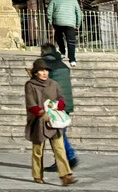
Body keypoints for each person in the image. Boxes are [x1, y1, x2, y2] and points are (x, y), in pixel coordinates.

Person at [25, 58, 77, 185]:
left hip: (54, 122)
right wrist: (42, 114)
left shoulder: (54, 84)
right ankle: (37, 175)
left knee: (60, 149)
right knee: (38, 151)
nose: (44, 73)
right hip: (39, 122)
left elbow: (61, 99)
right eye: (41, 71)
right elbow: (31, 104)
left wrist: (58, 106)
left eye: (46, 70)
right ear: (36, 72)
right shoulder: (30, 85)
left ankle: (66, 176)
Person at [40, 43, 79, 172]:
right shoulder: (63, 65)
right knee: (60, 132)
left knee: (56, 133)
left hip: (54, 104)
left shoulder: (46, 66)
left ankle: (67, 158)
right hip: (66, 103)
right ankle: (68, 157)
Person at [47, 0, 82, 67]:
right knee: (71, 41)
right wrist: (78, 23)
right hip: (70, 23)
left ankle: (62, 52)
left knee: (59, 37)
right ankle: (72, 59)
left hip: (58, 22)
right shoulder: (73, 0)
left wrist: (50, 21)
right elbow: (79, 13)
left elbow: (49, 11)